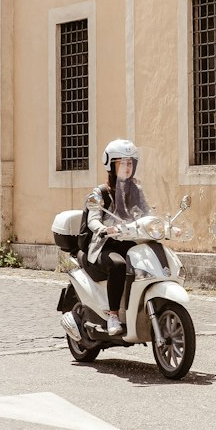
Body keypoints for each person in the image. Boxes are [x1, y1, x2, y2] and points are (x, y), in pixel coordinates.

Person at [83, 138, 149, 336]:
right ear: (111, 165)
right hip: (105, 245)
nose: (127, 167)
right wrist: (103, 228)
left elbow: (147, 212)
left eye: (130, 163)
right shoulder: (101, 192)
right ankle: (113, 315)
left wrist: (162, 224)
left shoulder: (136, 190)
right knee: (119, 265)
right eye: (122, 162)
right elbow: (93, 219)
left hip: (130, 241)